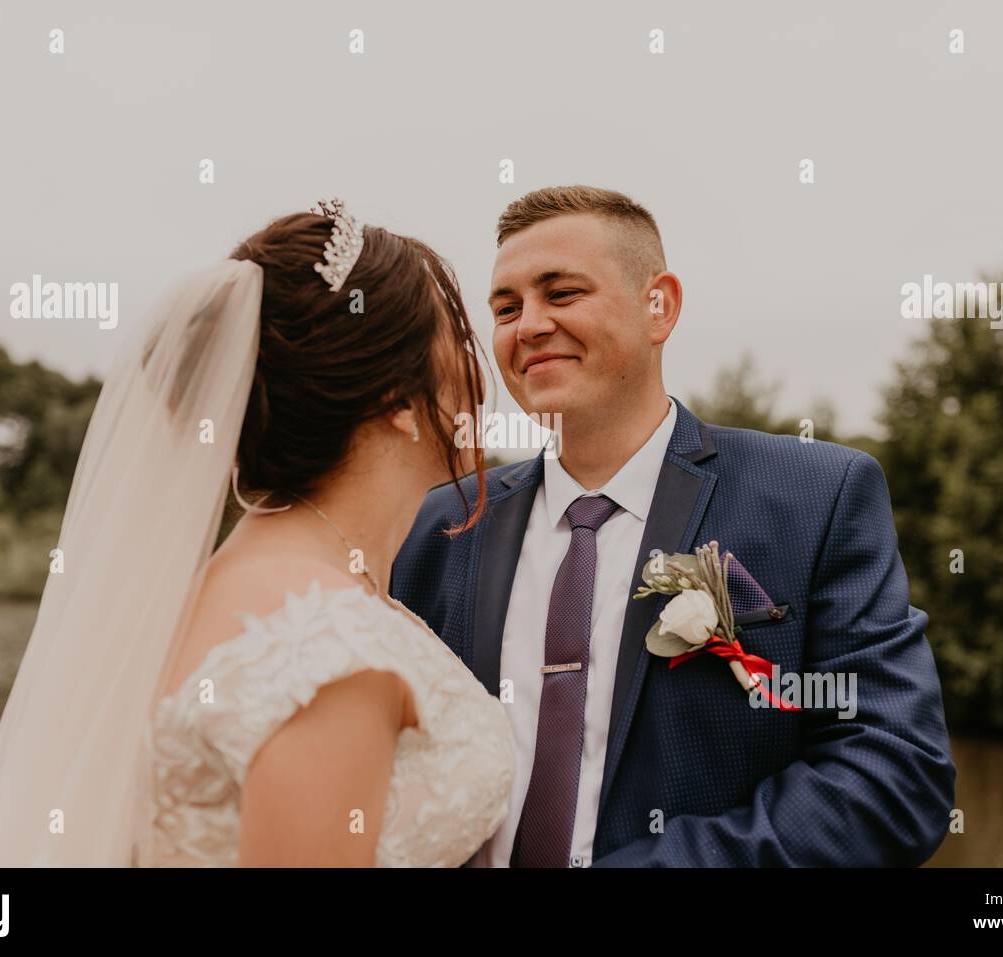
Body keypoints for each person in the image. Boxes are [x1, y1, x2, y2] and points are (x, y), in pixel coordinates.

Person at [392, 185, 956, 867]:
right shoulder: (440, 525)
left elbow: (893, 772)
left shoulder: (817, 497)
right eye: (506, 308)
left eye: (561, 293)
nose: (528, 325)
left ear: (661, 306)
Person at [0, 201, 513, 867]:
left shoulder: (231, 585)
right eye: (459, 337)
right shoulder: (332, 652)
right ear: (396, 396)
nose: (485, 371)